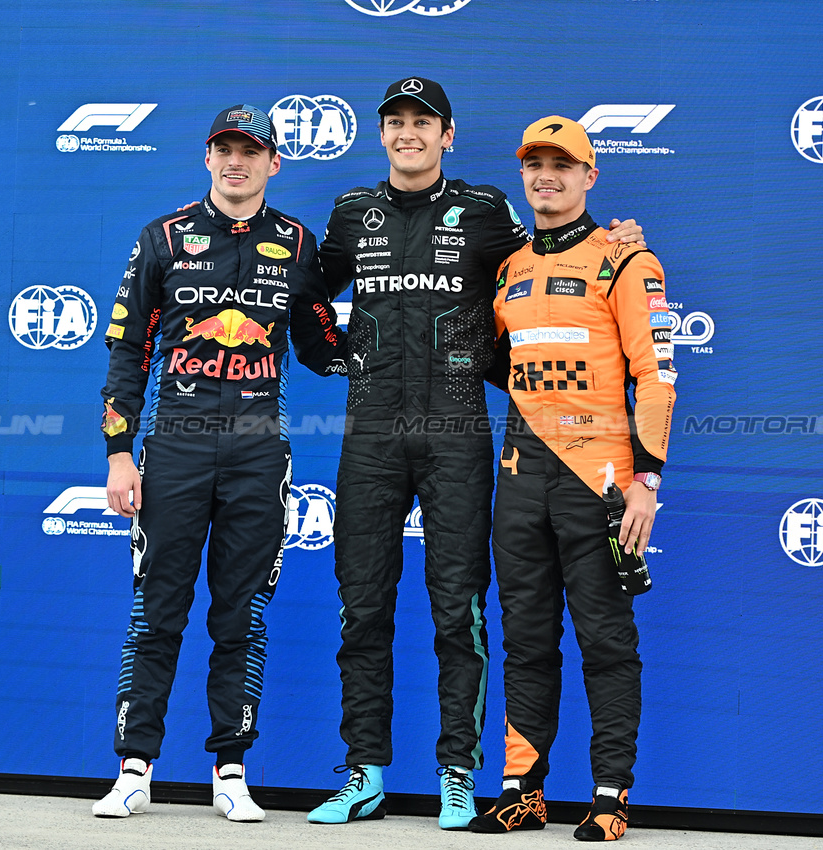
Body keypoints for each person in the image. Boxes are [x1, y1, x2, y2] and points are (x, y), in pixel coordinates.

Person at [307, 78, 645, 830]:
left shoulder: (487, 211)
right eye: (394, 122)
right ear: (382, 134)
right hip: (370, 436)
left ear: (447, 135)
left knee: (457, 610)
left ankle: (456, 772)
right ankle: (364, 772)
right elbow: (306, 297)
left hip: (459, 438)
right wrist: (341, 359)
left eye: (421, 123)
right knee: (361, 607)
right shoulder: (351, 213)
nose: (407, 134)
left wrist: (615, 244)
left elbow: (540, 275)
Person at [92, 104, 346, 822]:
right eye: (224, 148)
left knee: (242, 616)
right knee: (155, 612)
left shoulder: (297, 244)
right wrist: (118, 455)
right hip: (172, 445)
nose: (236, 161)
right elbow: (126, 354)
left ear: (273, 163)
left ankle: (230, 769)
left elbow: (321, 344)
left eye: (250, 150)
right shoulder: (163, 237)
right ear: (207, 158)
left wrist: (383, 347)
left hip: (257, 452)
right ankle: (133, 767)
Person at [467, 116, 675, 842]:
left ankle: (610, 794)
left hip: (602, 484)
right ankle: (522, 789)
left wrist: (646, 480)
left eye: (562, 165)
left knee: (605, 642)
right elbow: (501, 365)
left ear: (589, 177)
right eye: (534, 165)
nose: (545, 177)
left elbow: (654, 377)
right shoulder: (509, 268)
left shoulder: (624, 259)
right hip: (520, 482)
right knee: (523, 639)